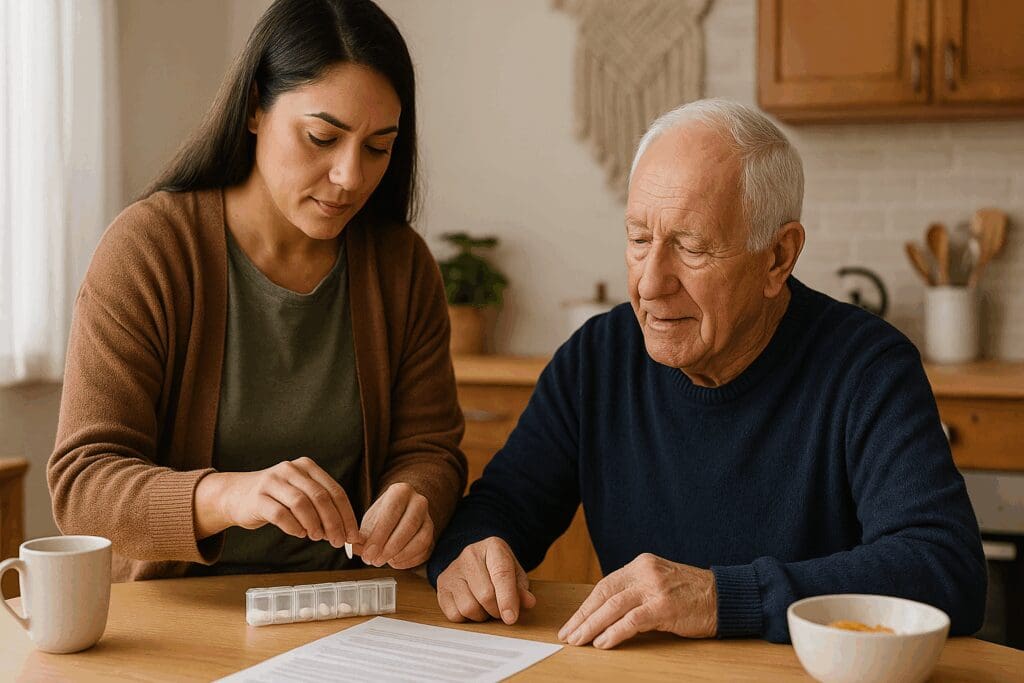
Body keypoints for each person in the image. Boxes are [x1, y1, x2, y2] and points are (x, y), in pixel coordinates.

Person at [427, 99, 986, 646]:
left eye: (691, 248)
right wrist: (475, 551)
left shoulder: (867, 368)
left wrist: (722, 597)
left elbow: (945, 569)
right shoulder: (595, 358)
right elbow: (498, 510)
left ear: (778, 259)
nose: (650, 283)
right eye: (640, 239)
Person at [48, 0, 466, 582]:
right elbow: (83, 487)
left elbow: (432, 451)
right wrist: (228, 497)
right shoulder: (151, 249)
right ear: (253, 109)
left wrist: (416, 495)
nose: (350, 177)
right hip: (183, 622)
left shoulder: (401, 265)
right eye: (322, 137)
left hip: (350, 611)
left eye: (378, 147)